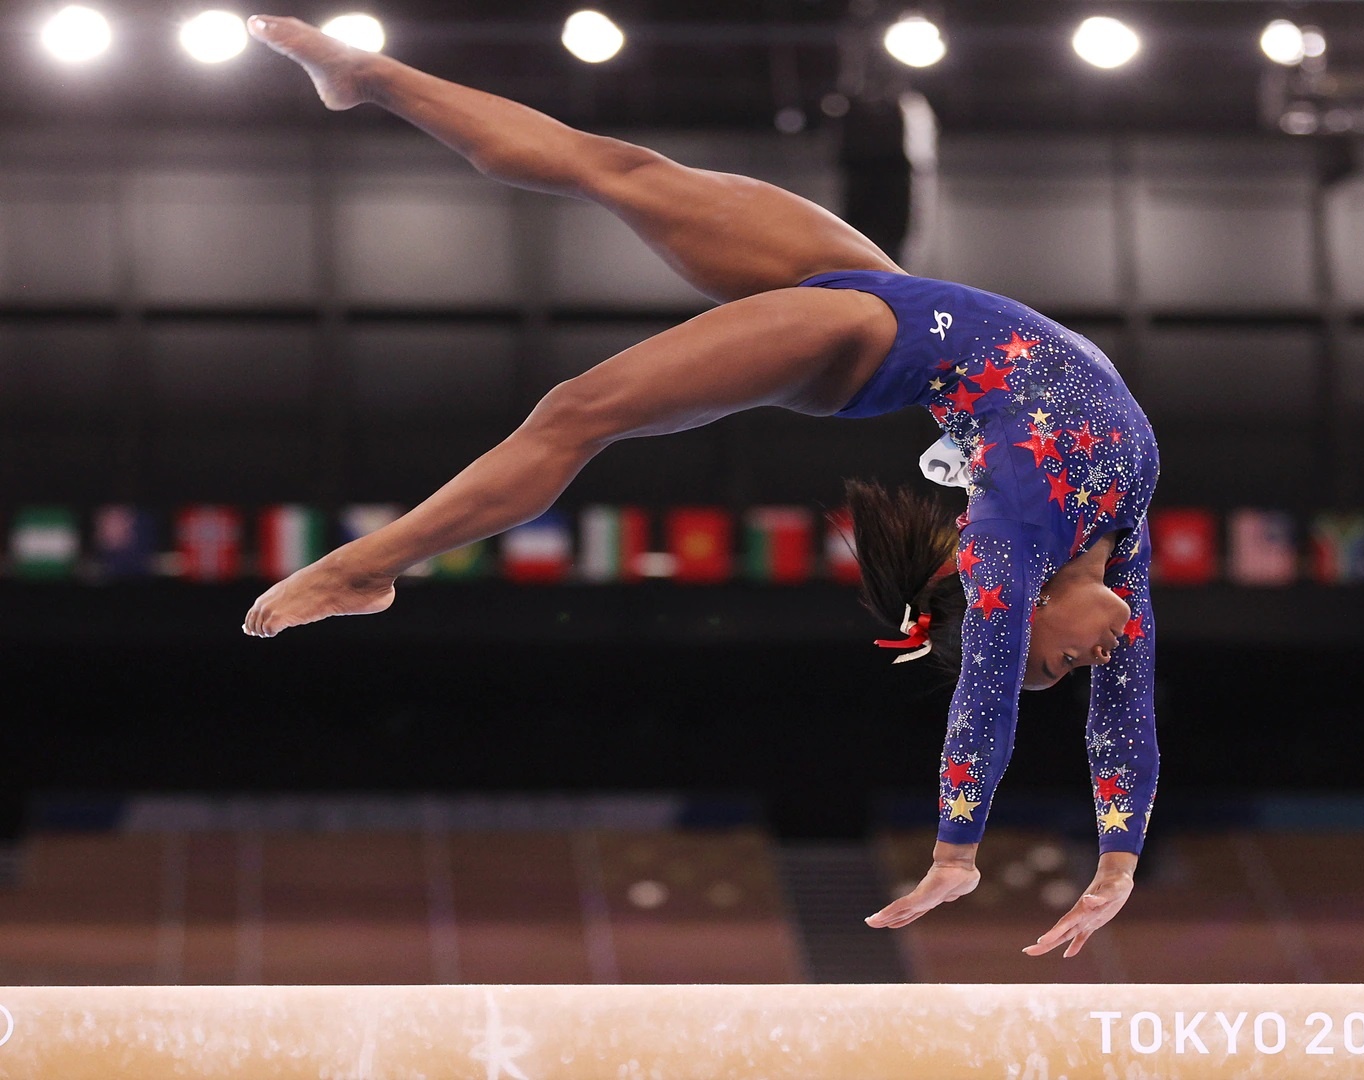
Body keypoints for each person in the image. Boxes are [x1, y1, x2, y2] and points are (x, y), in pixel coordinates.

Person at [239, 15, 1159, 960]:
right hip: (894, 297)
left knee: (579, 409)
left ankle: (369, 567)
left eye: (1061, 667)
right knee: (621, 168)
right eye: (1062, 667)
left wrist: (956, 850)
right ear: (1038, 611)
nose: (1089, 666)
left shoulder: (1008, 540)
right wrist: (1116, 867)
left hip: (863, 341)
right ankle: (369, 74)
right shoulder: (1118, 548)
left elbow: (990, 690)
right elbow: (1115, 712)